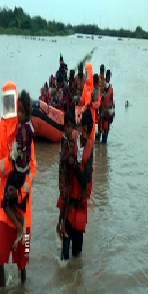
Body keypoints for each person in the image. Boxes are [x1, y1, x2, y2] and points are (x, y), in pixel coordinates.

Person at [0, 83, 36, 287]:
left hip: (24, 211)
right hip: (6, 213)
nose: (11, 108)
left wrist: (19, 194)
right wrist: (10, 160)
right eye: (7, 102)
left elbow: (33, 171)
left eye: (14, 103)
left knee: (23, 263)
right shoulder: (0, 130)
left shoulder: (25, 131)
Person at [0, 90, 35, 249]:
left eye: (20, 111)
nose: (17, 114)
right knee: (3, 258)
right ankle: (20, 223)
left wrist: (20, 193)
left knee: (25, 257)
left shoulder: (23, 131)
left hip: (23, 197)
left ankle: (20, 228)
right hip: (13, 212)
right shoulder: (24, 128)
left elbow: (31, 168)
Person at [59, 110, 95, 261]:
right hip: (69, 205)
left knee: (76, 253)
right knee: (65, 256)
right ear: (80, 128)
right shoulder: (70, 143)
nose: (85, 135)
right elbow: (62, 169)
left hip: (80, 207)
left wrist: (73, 165)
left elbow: (85, 178)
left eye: (88, 132)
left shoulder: (90, 149)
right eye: (83, 131)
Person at [56, 112, 77, 241]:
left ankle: (61, 225)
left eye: (70, 127)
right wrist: (69, 153)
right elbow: (62, 158)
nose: (68, 129)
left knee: (67, 200)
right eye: (67, 127)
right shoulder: (65, 141)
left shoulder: (69, 139)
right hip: (62, 174)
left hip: (65, 173)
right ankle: (61, 226)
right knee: (65, 200)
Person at [98, 69, 115, 143]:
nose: (108, 78)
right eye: (107, 76)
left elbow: (111, 101)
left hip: (106, 116)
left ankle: (103, 146)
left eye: (109, 77)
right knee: (97, 136)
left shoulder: (111, 89)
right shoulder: (101, 86)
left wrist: (112, 114)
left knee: (105, 137)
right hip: (100, 114)